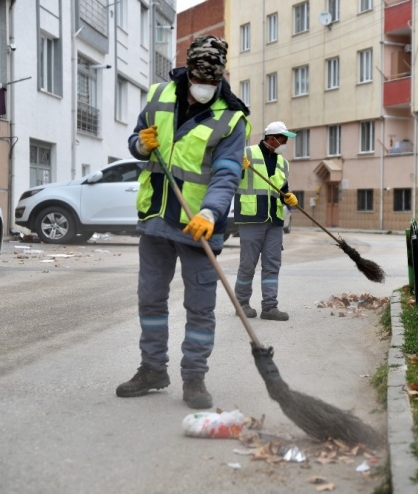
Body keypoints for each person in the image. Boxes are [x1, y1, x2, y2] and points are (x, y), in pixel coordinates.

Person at [116, 35, 251, 409]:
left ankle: (194, 378)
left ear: (221, 76)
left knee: (200, 306)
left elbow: (226, 174)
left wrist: (211, 212)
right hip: (157, 218)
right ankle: (152, 369)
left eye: (213, 81)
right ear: (188, 71)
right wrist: (140, 145)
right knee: (151, 300)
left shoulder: (232, 116)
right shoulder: (159, 96)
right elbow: (135, 140)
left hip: (198, 226)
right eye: (200, 80)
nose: (205, 87)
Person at [233, 121, 298, 322]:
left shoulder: (282, 163)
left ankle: (269, 307)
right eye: (283, 139)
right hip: (251, 216)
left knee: (272, 265)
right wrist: (238, 167)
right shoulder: (247, 154)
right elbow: (228, 177)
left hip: (275, 220)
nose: (285, 143)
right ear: (271, 139)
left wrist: (288, 197)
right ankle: (242, 304)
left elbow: (282, 189)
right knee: (248, 265)